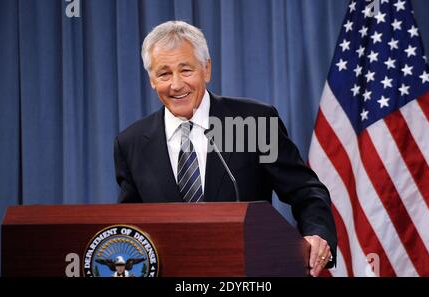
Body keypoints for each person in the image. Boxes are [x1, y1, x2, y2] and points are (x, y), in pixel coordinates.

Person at [114, 20, 337, 277]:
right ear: (152, 80)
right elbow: (129, 224)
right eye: (164, 74)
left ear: (206, 69)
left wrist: (317, 233)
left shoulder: (252, 123)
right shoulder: (131, 143)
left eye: (186, 70)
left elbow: (305, 191)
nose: (176, 85)